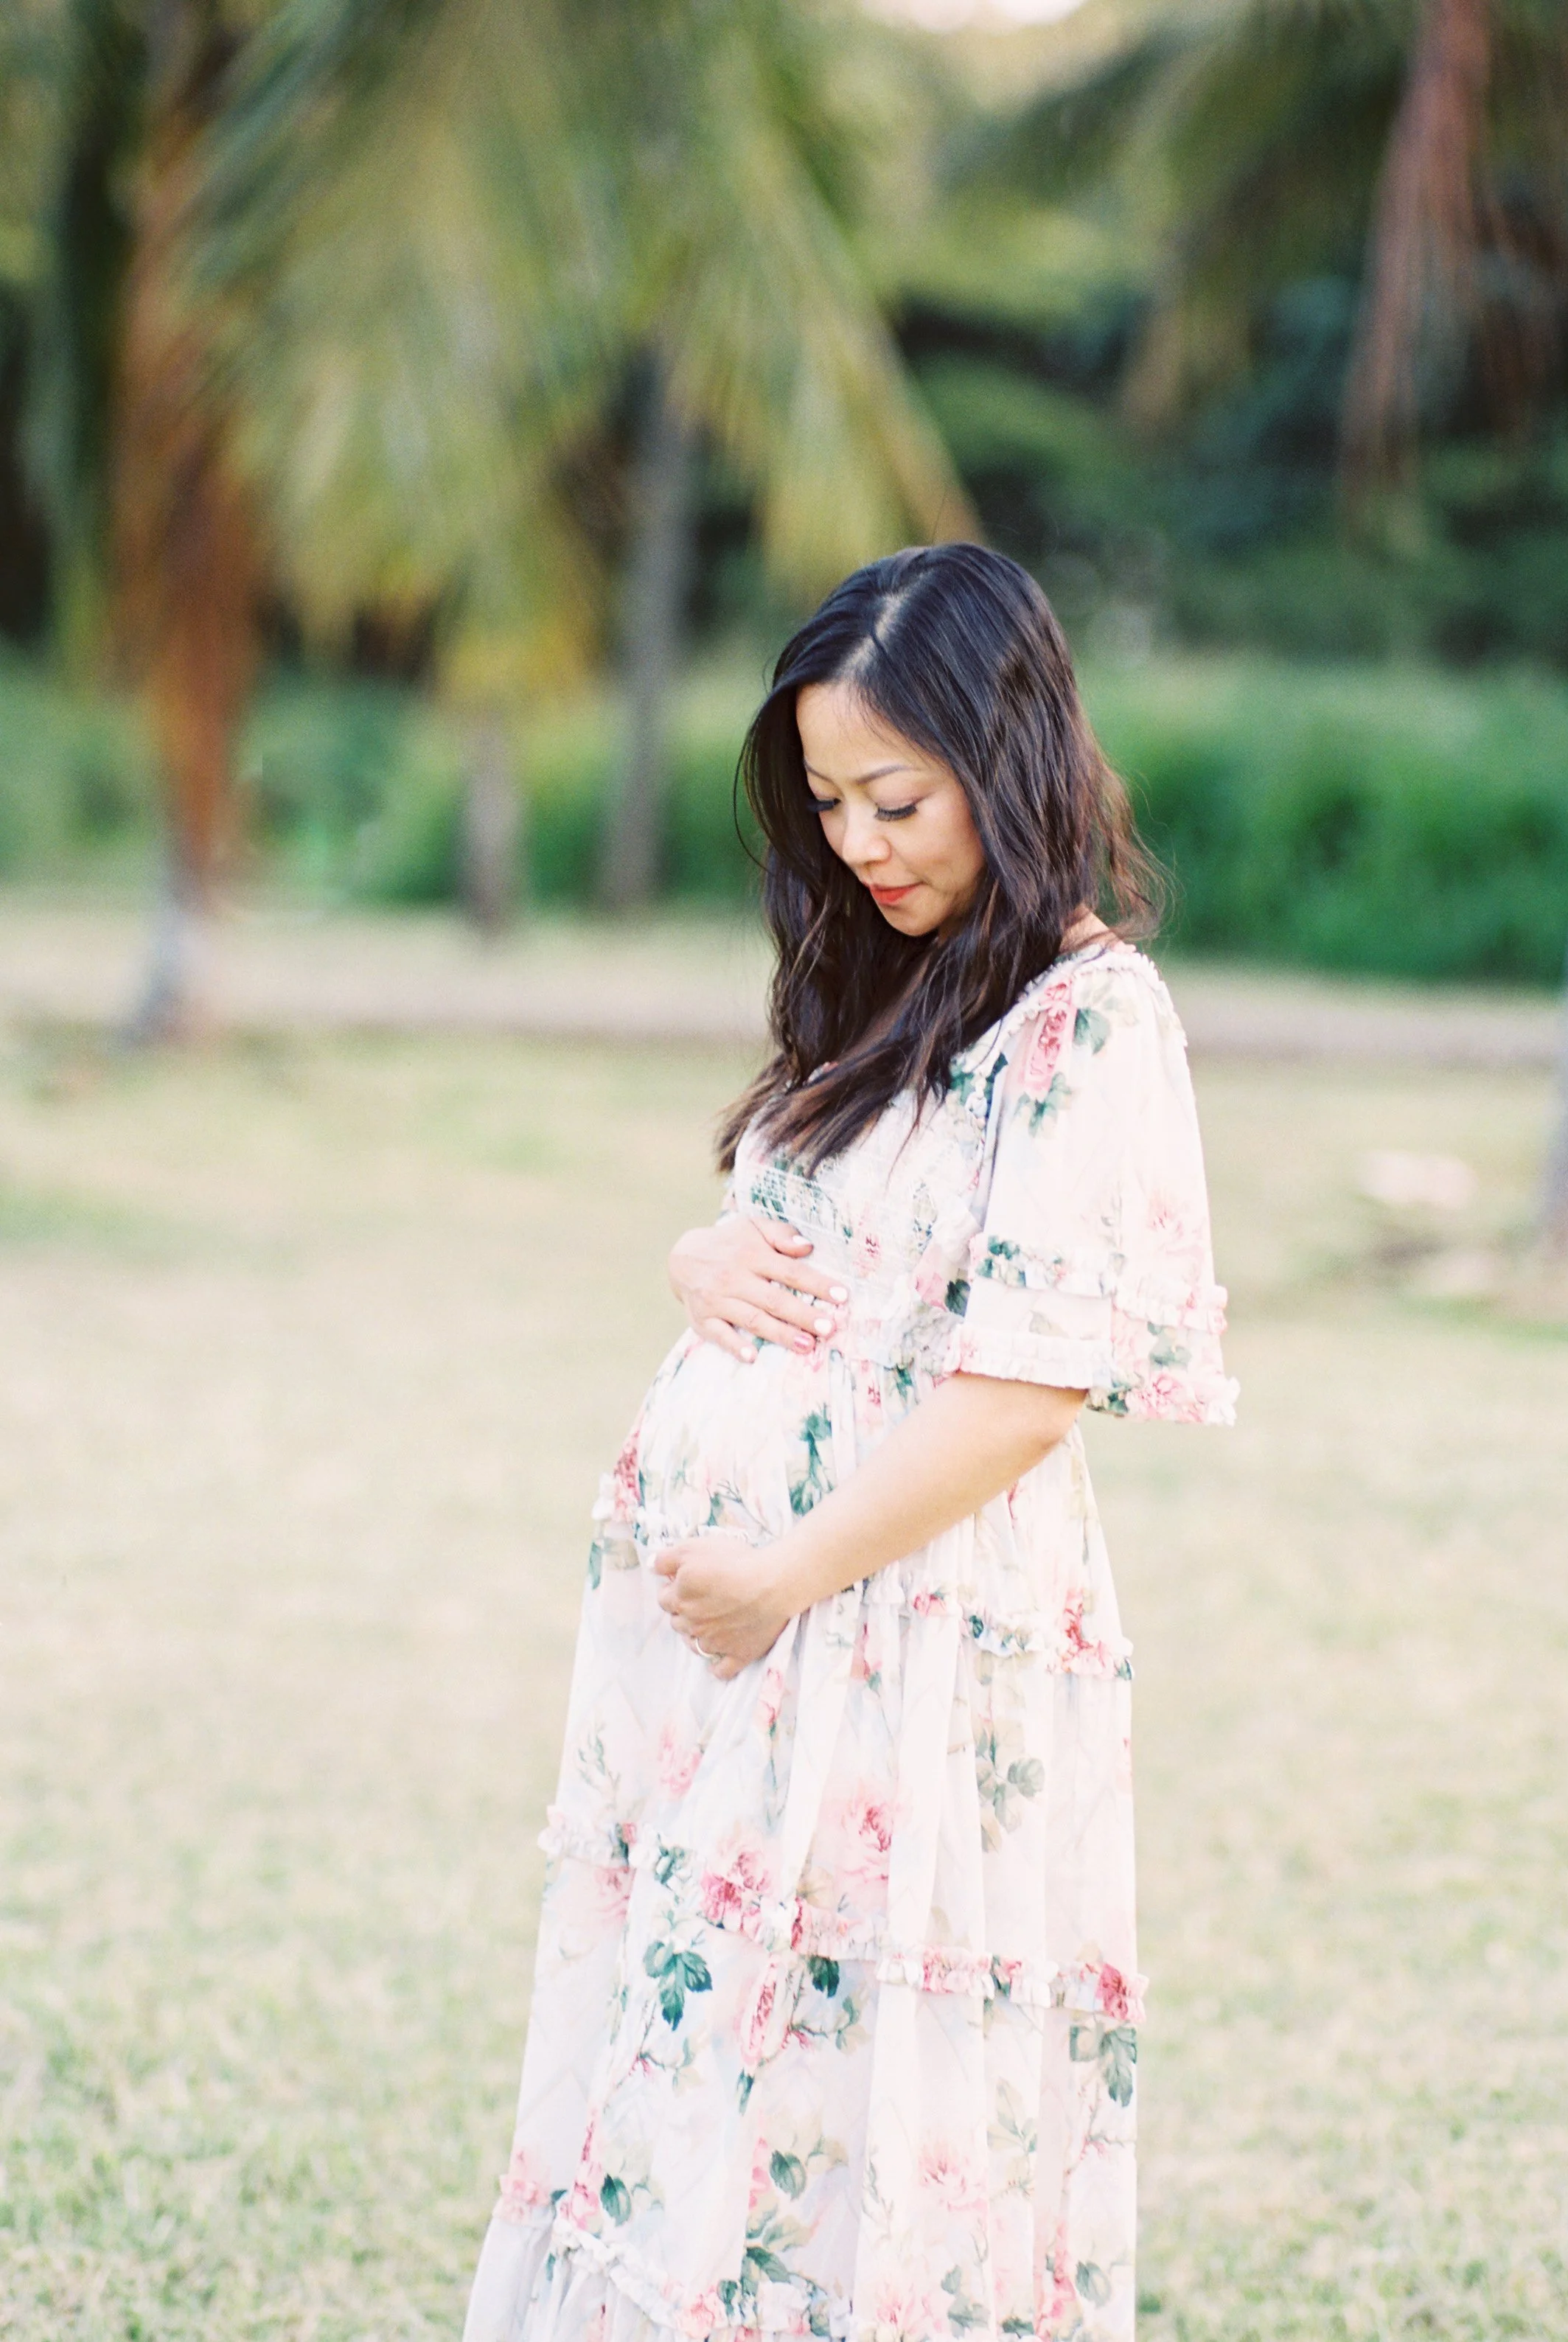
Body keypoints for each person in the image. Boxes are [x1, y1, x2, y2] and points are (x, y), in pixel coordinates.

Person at [463, 544, 1236, 2342]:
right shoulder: (880, 975)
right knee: (704, 2074)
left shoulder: (1089, 1020)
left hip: (893, 1631)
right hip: (744, 1650)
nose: (862, 841)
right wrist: (693, 1254)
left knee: (851, 2093)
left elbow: (1030, 1387)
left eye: (898, 796)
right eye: (826, 801)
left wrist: (786, 1574)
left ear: (1014, 755)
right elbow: (800, 1237)